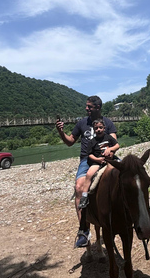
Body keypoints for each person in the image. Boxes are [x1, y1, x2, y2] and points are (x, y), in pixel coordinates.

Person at [56, 95, 117, 248]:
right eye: (87, 106)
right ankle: (83, 230)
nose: (86, 109)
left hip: (106, 158)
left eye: (89, 106)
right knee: (78, 187)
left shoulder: (107, 122)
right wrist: (60, 132)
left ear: (98, 107)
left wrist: (110, 150)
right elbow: (70, 142)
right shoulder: (82, 123)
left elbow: (114, 140)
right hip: (87, 160)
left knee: (132, 173)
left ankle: (142, 210)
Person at [77, 118, 120, 209]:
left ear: (104, 128)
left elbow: (117, 145)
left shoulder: (108, 137)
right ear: (94, 129)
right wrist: (97, 159)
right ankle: (84, 196)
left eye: (100, 127)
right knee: (89, 174)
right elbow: (90, 154)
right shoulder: (92, 141)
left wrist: (110, 149)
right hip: (98, 162)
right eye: (96, 128)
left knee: (124, 168)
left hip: (110, 160)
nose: (99, 130)